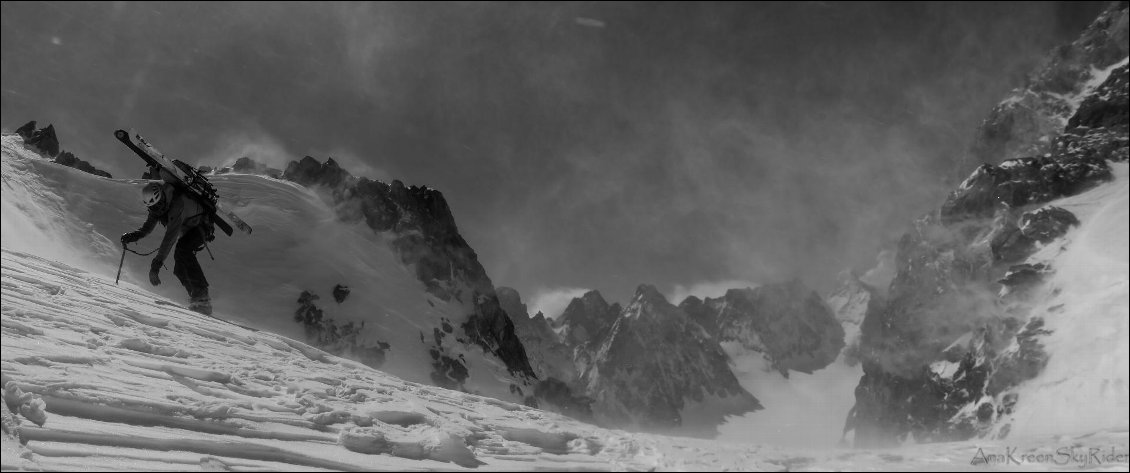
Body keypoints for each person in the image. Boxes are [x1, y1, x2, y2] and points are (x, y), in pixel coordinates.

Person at [121, 181, 215, 315]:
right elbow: (147, 227)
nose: (157, 209)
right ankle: (197, 300)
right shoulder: (157, 206)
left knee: (183, 250)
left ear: (162, 197)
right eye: (153, 207)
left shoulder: (176, 205)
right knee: (178, 268)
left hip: (202, 227)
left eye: (158, 205)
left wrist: (156, 265)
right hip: (189, 229)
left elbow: (170, 238)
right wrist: (133, 236)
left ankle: (202, 298)